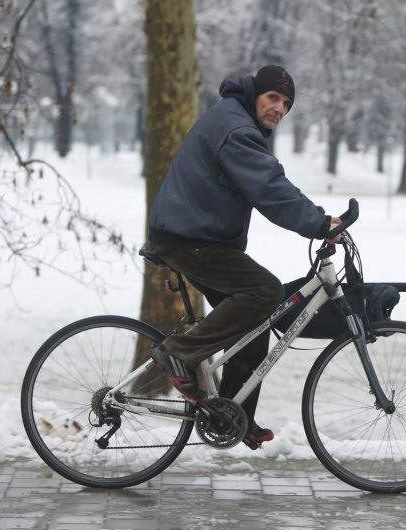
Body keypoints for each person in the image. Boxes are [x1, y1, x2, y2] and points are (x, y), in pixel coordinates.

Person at [146, 65, 340, 449]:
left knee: (257, 318)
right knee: (264, 291)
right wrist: (319, 223)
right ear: (255, 95)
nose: (279, 109)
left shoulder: (235, 121)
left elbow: (266, 183)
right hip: (191, 239)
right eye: (273, 98)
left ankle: (233, 413)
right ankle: (178, 354)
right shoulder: (237, 130)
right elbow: (270, 188)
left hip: (192, 235)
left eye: (286, 104)